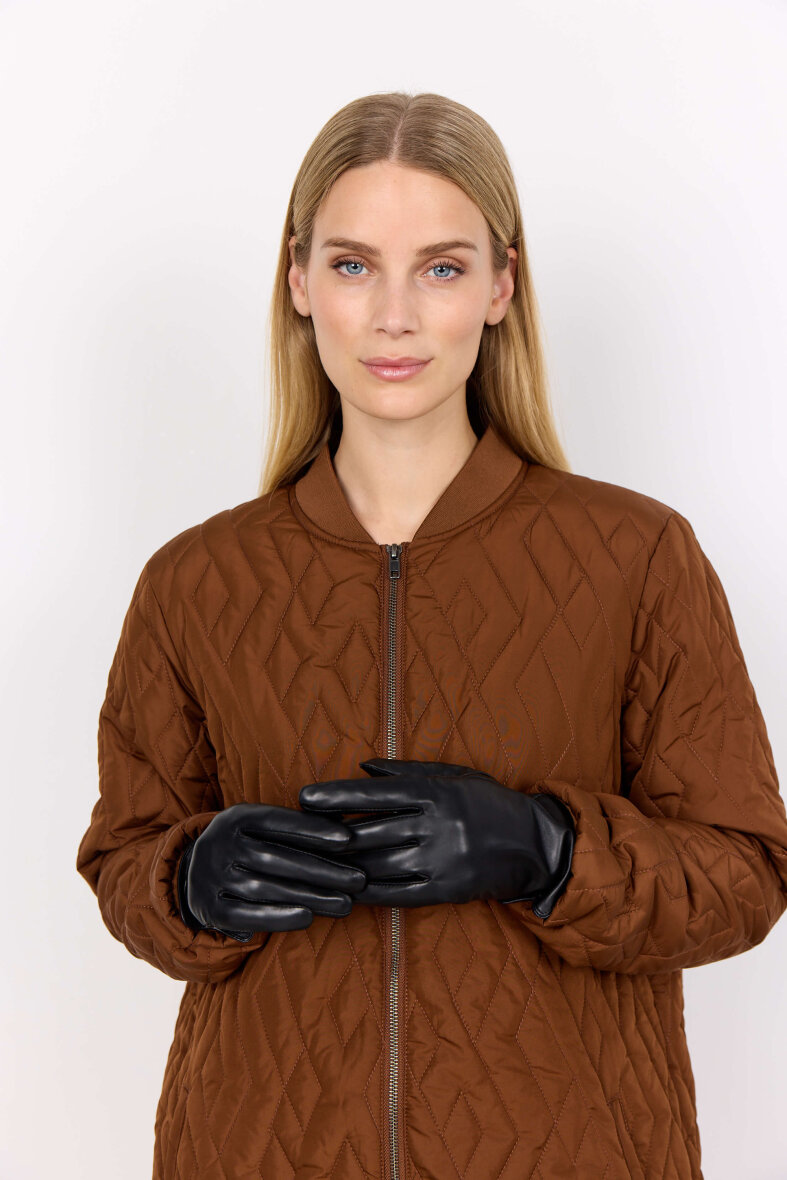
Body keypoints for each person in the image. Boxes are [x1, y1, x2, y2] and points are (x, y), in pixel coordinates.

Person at [76, 91, 787, 1180]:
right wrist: (186, 880)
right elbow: (124, 855)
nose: (393, 315)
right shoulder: (194, 581)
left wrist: (548, 848)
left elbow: (746, 869)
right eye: (353, 265)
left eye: (441, 268)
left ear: (501, 286)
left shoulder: (636, 556)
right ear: (298, 281)